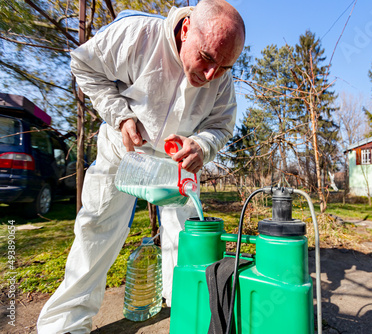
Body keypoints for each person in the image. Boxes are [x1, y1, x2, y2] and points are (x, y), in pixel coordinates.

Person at [37, 0, 245, 333]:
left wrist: (203, 145)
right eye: (206, 59)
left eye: (224, 66)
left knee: (189, 237)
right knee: (98, 229)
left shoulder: (221, 74)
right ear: (187, 27)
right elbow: (85, 65)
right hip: (124, 149)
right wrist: (120, 115)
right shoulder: (137, 35)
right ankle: (65, 324)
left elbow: (221, 124)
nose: (211, 76)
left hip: (177, 162)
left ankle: (184, 311)